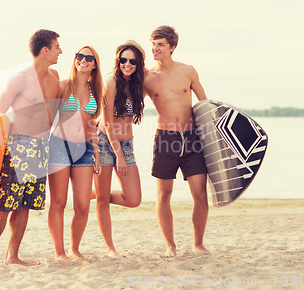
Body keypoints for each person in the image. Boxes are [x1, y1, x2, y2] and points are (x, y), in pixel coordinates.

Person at [0, 29, 62, 269]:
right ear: (45, 50)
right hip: (18, 147)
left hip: (41, 148)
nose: (60, 51)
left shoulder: (54, 76)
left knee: (26, 204)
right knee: (5, 203)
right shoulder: (19, 79)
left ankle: (12, 255)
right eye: (57, 47)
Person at [143, 25, 209, 256]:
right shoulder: (147, 78)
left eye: (160, 44)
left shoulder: (188, 71)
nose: (155, 48)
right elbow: (129, 104)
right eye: (153, 44)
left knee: (200, 194)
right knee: (164, 195)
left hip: (192, 139)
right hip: (166, 139)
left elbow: (205, 104)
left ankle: (198, 244)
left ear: (172, 47)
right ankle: (171, 246)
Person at [48, 46, 103, 261]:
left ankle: (74, 249)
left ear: (94, 64)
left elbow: (91, 126)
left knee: (82, 204)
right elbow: (47, 117)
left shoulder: (95, 92)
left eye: (89, 58)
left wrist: (96, 152)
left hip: (85, 150)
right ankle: (60, 252)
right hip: (59, 147)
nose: (84, 60)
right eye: (80, 56)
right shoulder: (62, 87)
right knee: (59, 202)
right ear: (75, 60)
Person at [94, 40, 145, 257]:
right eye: (123, 59)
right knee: (103, 201)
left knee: (133, 199)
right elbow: (106, 123)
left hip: (127, 143)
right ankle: (110, 248)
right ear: (117, 60)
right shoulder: (111, 82)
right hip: (107, 142)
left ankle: (92, 194)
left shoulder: (136, 84)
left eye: (132, 61)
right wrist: (119, 155)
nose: (127, 64)